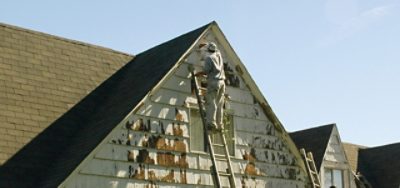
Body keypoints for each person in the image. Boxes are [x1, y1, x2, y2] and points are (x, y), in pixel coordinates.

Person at [195, 42, 226, 132]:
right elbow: (213, 47)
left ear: (207, 50)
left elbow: (205, 71)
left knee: (211, 102)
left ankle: (211, 123)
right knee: (219, 104)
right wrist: (206, 44)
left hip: (214, 82)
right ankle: (220, 124)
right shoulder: (218, 54)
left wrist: (197, 74)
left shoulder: (209, 58)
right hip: (222, 83)